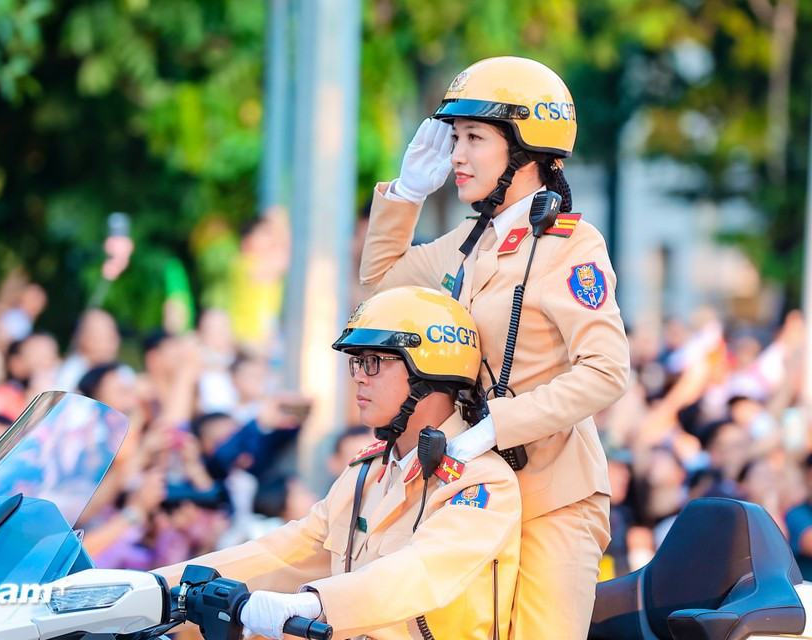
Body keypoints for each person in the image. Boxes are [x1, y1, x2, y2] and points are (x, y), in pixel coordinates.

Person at [359, 56, 630, 639]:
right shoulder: (470, 239)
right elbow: (381, 286)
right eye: (455, 138)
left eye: (474, 138)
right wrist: (405, 194)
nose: (456, 155)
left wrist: (493, 427)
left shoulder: (571, 246)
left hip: (553, 494)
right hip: (473, 490)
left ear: (527, 152)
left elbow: (607, 372)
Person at [156, 286, 521, 640]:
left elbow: (421, 572)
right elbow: (282, 554)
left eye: (374, 362)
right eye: (357, 362)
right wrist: (157, 587)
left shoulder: (481, 481)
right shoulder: (366, 471)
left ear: (428, 374)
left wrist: (314, 603)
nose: (359, 376)